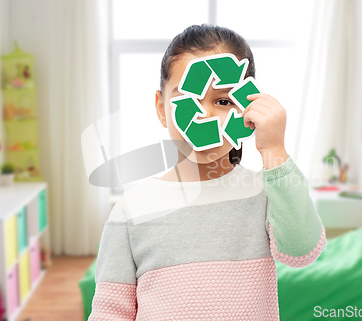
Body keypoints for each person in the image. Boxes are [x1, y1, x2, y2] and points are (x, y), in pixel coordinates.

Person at [88, 24, 326, 320]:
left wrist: (274, 149)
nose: (205, 117)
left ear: (247, 107)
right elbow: (111, 309)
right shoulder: (131, 209)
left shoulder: (265, 193)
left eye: (224, 101)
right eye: (189, 99)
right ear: (161, 108)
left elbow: (302, 250)